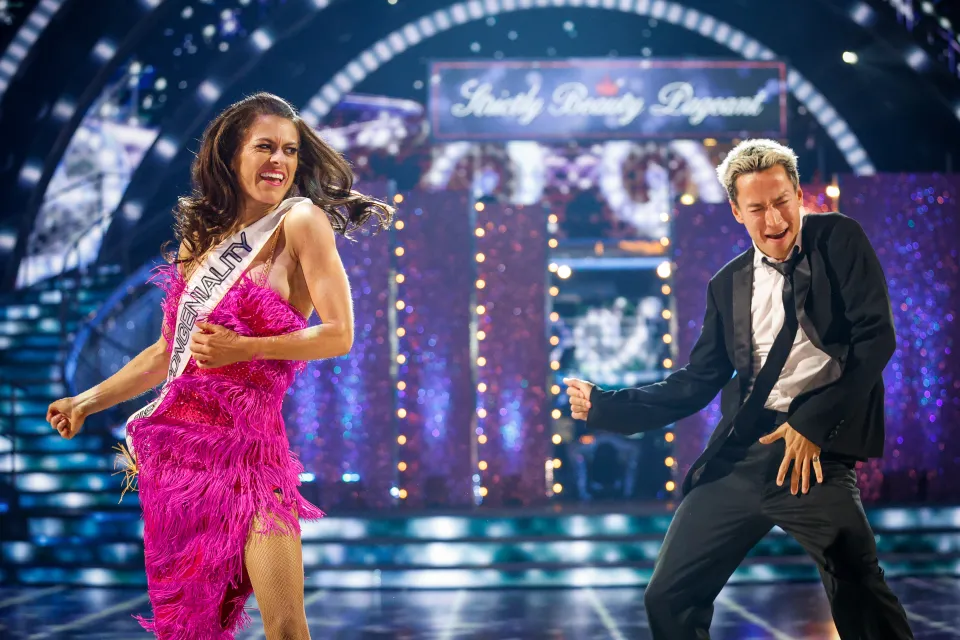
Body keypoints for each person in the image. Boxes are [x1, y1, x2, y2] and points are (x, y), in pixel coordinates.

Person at [46, 92, 393, 639]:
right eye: (264, 147)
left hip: (255, 458)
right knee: (190, 628)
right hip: (180, 464)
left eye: (290, 150)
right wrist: (85, 401)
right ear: (231, 154)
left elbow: (340, 334)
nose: (279, 161)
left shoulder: (301, 221)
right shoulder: (201, 240)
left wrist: (247, 348)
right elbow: (166, 353)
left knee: (283, 624)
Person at [564, 139, 913, 639]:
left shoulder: (840, 238)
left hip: (814, 455)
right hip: (742, 454)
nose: (774, 221)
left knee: (858, 583)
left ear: (798, 194)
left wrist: (812, 424)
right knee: (669, 596)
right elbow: (697, 381)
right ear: (736, 211)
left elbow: (875, 339)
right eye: (757, 209)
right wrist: (607, 405)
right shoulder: (727, 284)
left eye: (781, 202)